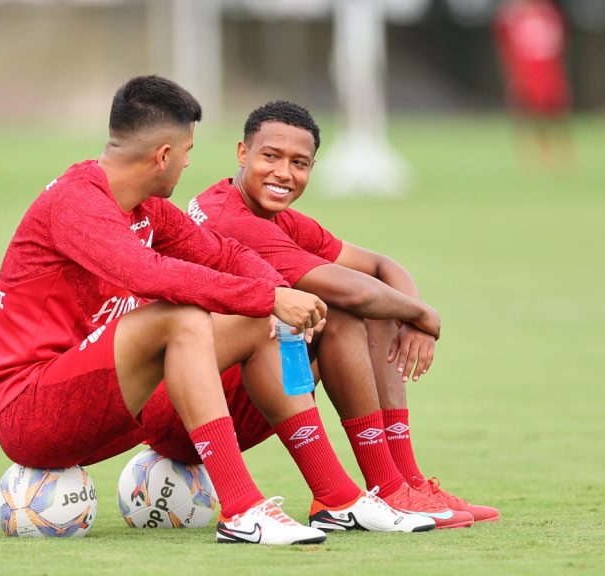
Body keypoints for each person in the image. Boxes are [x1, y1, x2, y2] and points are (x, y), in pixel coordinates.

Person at [0, 76, 333, 545]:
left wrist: (276, 293)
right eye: (187, 151)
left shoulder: (148, 207)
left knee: (256, 323)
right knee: (182, 317)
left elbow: (221, 253)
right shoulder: (75, 203)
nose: (189, 162)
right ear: (163, 155)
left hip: (110, 395)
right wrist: (271, 298)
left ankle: (337, 496)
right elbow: (152, 275)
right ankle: (243, 509)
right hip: (31, 414)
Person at [148, 101, 499, 528]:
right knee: (349, 311)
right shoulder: (231, 218)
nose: (283, 173)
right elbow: (355, 290)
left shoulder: (281, 220)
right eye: (270, 157)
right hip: (185, 408)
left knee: (376, 306)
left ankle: (405, 480)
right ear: (243, 153)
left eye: (299, 163)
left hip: (228, 388)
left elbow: (382, 267)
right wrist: (427, 316)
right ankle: (387, 487)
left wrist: (414, 315)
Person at [493, 0, 573, 169]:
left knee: (556, 118)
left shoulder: (551, 13)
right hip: (525, 76)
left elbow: (562, 43)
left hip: (550, 76)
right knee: (527, 119)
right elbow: (503, 44)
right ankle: (532, 161)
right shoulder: (513, 16)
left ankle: (561, 158)